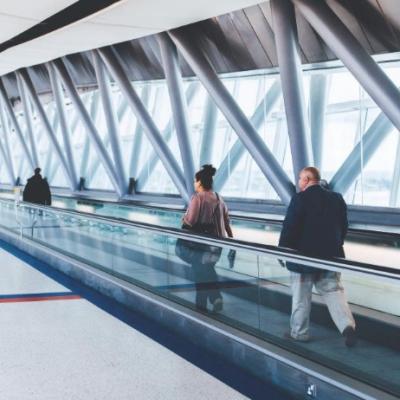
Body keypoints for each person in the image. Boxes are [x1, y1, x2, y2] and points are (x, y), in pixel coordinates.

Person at [279, 167, 356, 347]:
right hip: (331, 256)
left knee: (301, 297)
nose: (298, 182)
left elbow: (290, 227)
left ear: (307, 179)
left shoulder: (300, 199)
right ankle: (347, 326)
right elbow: (343, 226)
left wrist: (282, 250)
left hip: (303, 258)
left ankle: (299, 333)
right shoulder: (336, 198)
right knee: (334, 292)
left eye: (299, 178)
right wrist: (337, 245)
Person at [183, 164, 233, 312]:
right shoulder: (219, 198)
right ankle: (215, 297)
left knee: (200, 271)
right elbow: (227, 220)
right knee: (207, 269)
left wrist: (183, 219)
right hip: (217, 243)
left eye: (194, 181)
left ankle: (201, 306)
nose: (193, 183)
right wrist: (231, 239)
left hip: (201, 243)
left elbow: (190, 221)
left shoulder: (198, 198)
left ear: (199, 182)